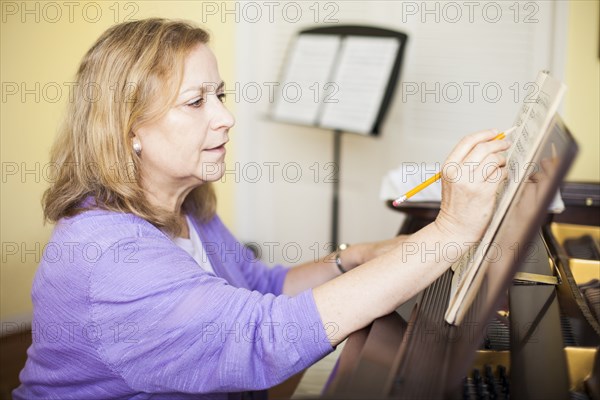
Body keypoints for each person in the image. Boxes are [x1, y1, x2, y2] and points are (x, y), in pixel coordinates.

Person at [13, 18, 510, 399]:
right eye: (195, 102)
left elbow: (259, 286)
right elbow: (264, 338)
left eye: (220, 95)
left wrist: (354, 256)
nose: (226, 118)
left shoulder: (188, 205)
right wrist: (449, 232)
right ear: (130, 131)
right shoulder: (109, 258)